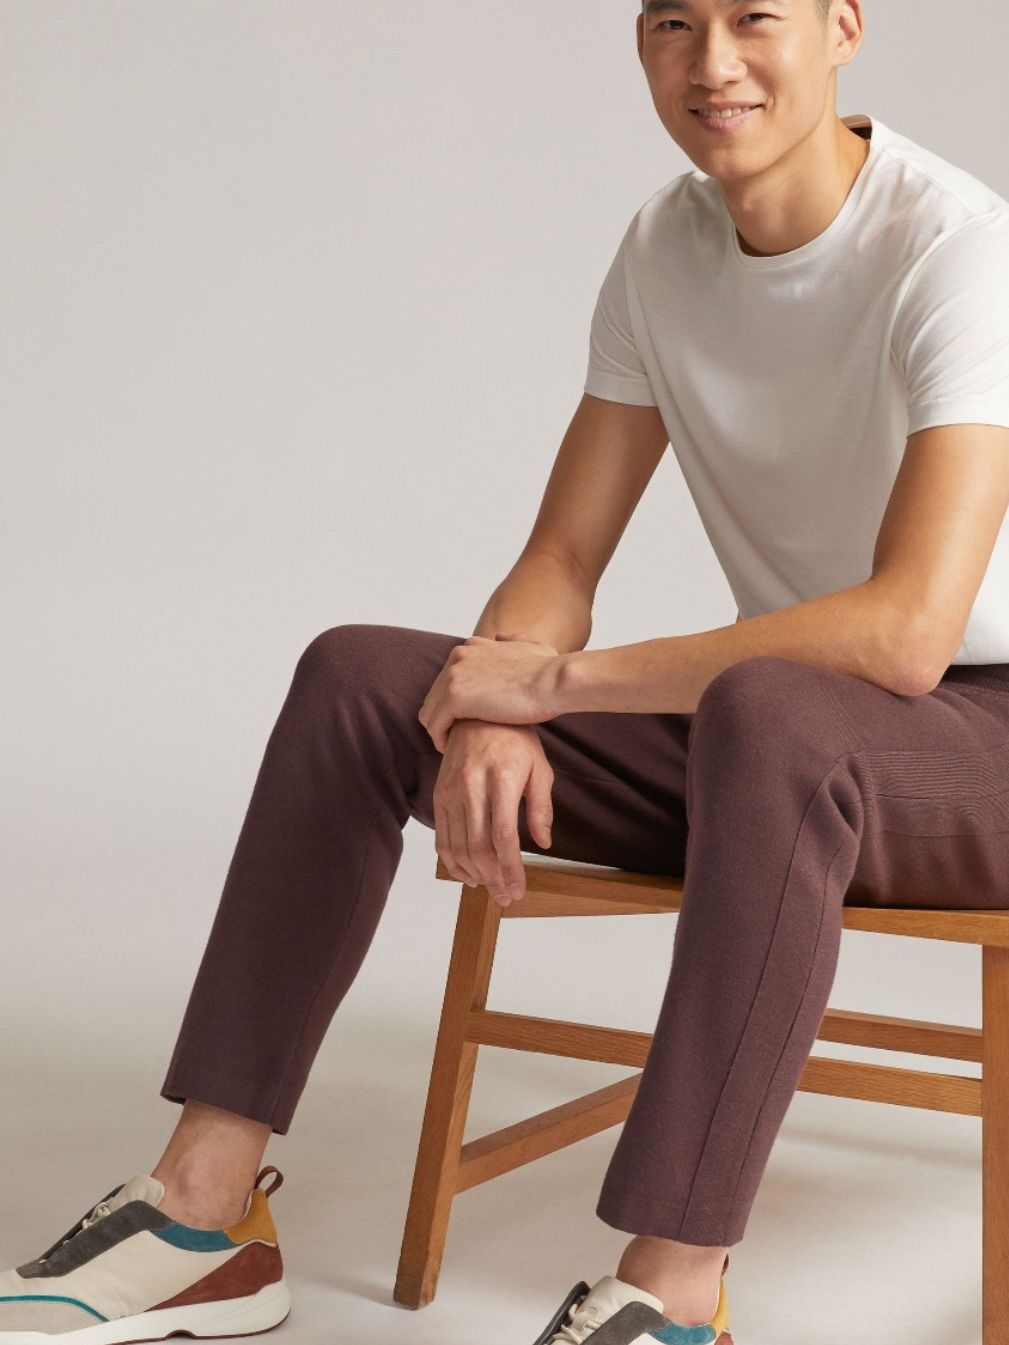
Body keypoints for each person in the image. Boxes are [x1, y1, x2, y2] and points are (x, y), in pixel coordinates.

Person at [4, 0, 1009, 1340]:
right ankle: (201, 1216)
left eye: (754, 16)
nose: (711, 63)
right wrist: (491, 693)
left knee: (768, 711)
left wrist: (550, 689)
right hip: (784, 746)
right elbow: (561, 557)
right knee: (362, 680)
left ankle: (672, 1294)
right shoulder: (663, 249)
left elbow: (905, 632)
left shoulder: (956, 249)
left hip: (973, 745)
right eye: (673, 22)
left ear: (840, 27)